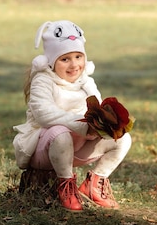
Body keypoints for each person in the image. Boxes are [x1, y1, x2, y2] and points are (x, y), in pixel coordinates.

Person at [13, 20, 132, 212]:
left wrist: (101, 126)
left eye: (78, 56)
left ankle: (95, 183)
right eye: (65, 59)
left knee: (122, 138)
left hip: (78, 147)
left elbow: (96, 110)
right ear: (51, 61)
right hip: (45, 150)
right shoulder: (43, 80)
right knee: (60, 132)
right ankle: (66, 186)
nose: (74, 64)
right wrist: (82, 125)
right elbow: (44, 114)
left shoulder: (87, 82)